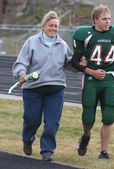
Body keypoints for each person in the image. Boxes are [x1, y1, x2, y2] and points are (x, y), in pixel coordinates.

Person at [72, 4, 114, 159]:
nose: (108, 22)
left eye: (109, 19)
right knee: (88, 117)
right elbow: (74, 62)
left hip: (109, 79)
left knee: (109, 116)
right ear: (95, 20)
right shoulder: (85, 35)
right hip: (91, 79)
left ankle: (104, 150)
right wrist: (92, 71)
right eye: (104, 19)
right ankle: (86, 136)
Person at [12, 11, 73, 161]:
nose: (54, 28)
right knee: (32, 120)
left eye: (56, 26)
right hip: (33, 89)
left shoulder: (62, 44)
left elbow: (70, 64)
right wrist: (21, 73)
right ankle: (27, 139)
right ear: (44, 26)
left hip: (55, 88)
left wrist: (81, 63)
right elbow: (21, 62)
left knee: (52, 122)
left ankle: (47, 151)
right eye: (51, 25)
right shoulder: (31, 42)